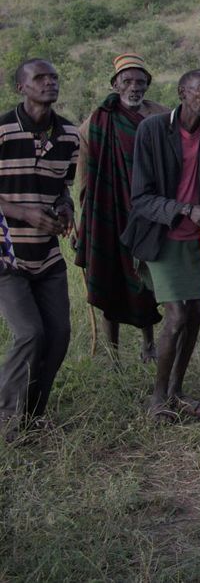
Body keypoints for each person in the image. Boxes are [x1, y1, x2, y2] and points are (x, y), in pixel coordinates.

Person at [123, 69, 200, 422]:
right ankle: (158, 398)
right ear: (181, 92)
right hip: (162, 234)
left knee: (197, 313)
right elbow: (141, 198)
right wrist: (187, 209)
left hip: (199, 238)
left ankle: (176, 390)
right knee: (176, 317)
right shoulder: (153, 129)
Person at [0, 59, 80, 437]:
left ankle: (32, 417)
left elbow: (63, 186)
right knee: (30, 333)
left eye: (53, 77)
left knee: (59, 336)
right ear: (21, 87)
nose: (49, 83)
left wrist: (65, 209)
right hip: (6, 254)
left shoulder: (68, 134)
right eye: (40, 78)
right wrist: (23, 212)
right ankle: (6, 420)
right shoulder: (2, 130)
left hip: (47, 255)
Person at [75, 53, 167, 363]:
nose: (134, 87)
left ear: (147, 86)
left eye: (140, 82)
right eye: (127, 81)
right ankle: (112, 354)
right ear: (115, 84)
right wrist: (82, 224)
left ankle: (149, 345)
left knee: (147, 282)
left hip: (150, 214)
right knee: (109, 276)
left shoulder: (163, 116)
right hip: (108, 213)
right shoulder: (96, 121)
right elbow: (85, 178)